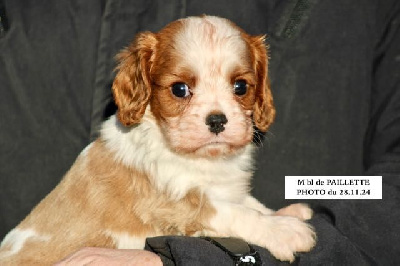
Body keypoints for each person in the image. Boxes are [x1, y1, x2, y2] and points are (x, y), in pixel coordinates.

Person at [1, 0, 399, 264]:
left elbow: (385, 190)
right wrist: (261, 227)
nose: (216, 114)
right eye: (181, 90)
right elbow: (185, 208)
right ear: (141, 87)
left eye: (239, 88)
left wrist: (278, 230)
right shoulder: (132, 148)